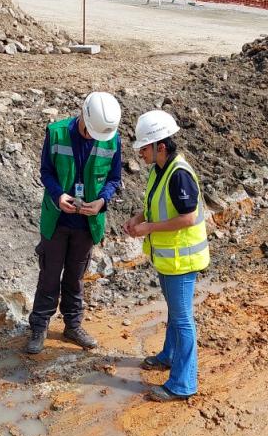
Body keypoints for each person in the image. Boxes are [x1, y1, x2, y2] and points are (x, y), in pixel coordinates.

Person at [25, 92, 123, 355]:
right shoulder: (56, 133)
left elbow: (114, 178)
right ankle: (39, 326)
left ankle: (73, 325)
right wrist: (59, 195)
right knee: (49, 275)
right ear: (83, 116)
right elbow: (46, 171)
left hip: (87, 223)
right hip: (57, 219)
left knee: (75, 278)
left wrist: (102, 200)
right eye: (90, 132)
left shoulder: (111, 138)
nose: (92, 138)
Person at [123, 110, 210, 402]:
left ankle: (183, 384)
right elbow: (155, 204)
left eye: (144, 148)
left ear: (161, 145)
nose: (140, 153)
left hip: (182, 261)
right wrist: (138, 218)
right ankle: (168, 356)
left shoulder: (179, 174)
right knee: (176, 313)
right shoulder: (161, 169)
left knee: (183, 319)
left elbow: (187, 217)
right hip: (169, 258)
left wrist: (149, 228)